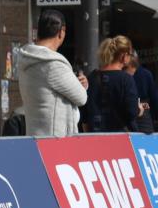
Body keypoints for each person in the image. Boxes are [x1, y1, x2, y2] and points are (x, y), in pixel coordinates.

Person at [15, 8, 88, 137]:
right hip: (56, 138)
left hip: (35, 135)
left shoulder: (27, 58)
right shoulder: (53, 64)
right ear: (61, 32)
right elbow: (81, 97)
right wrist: (83, 86)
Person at [81, 36, 142, 133]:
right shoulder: (126, 79)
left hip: (96, 136)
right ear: (124, 56)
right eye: (130, 55)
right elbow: (131, 112)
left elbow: (85, 114)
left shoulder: (92, 77)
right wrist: (139, 109)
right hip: (121, 136)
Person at [124, 50, 158, 133]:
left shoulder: (145, 74)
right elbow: (155, 100)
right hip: (137, 114)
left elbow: (154, 100)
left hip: (140, 113)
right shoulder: (146, 74)